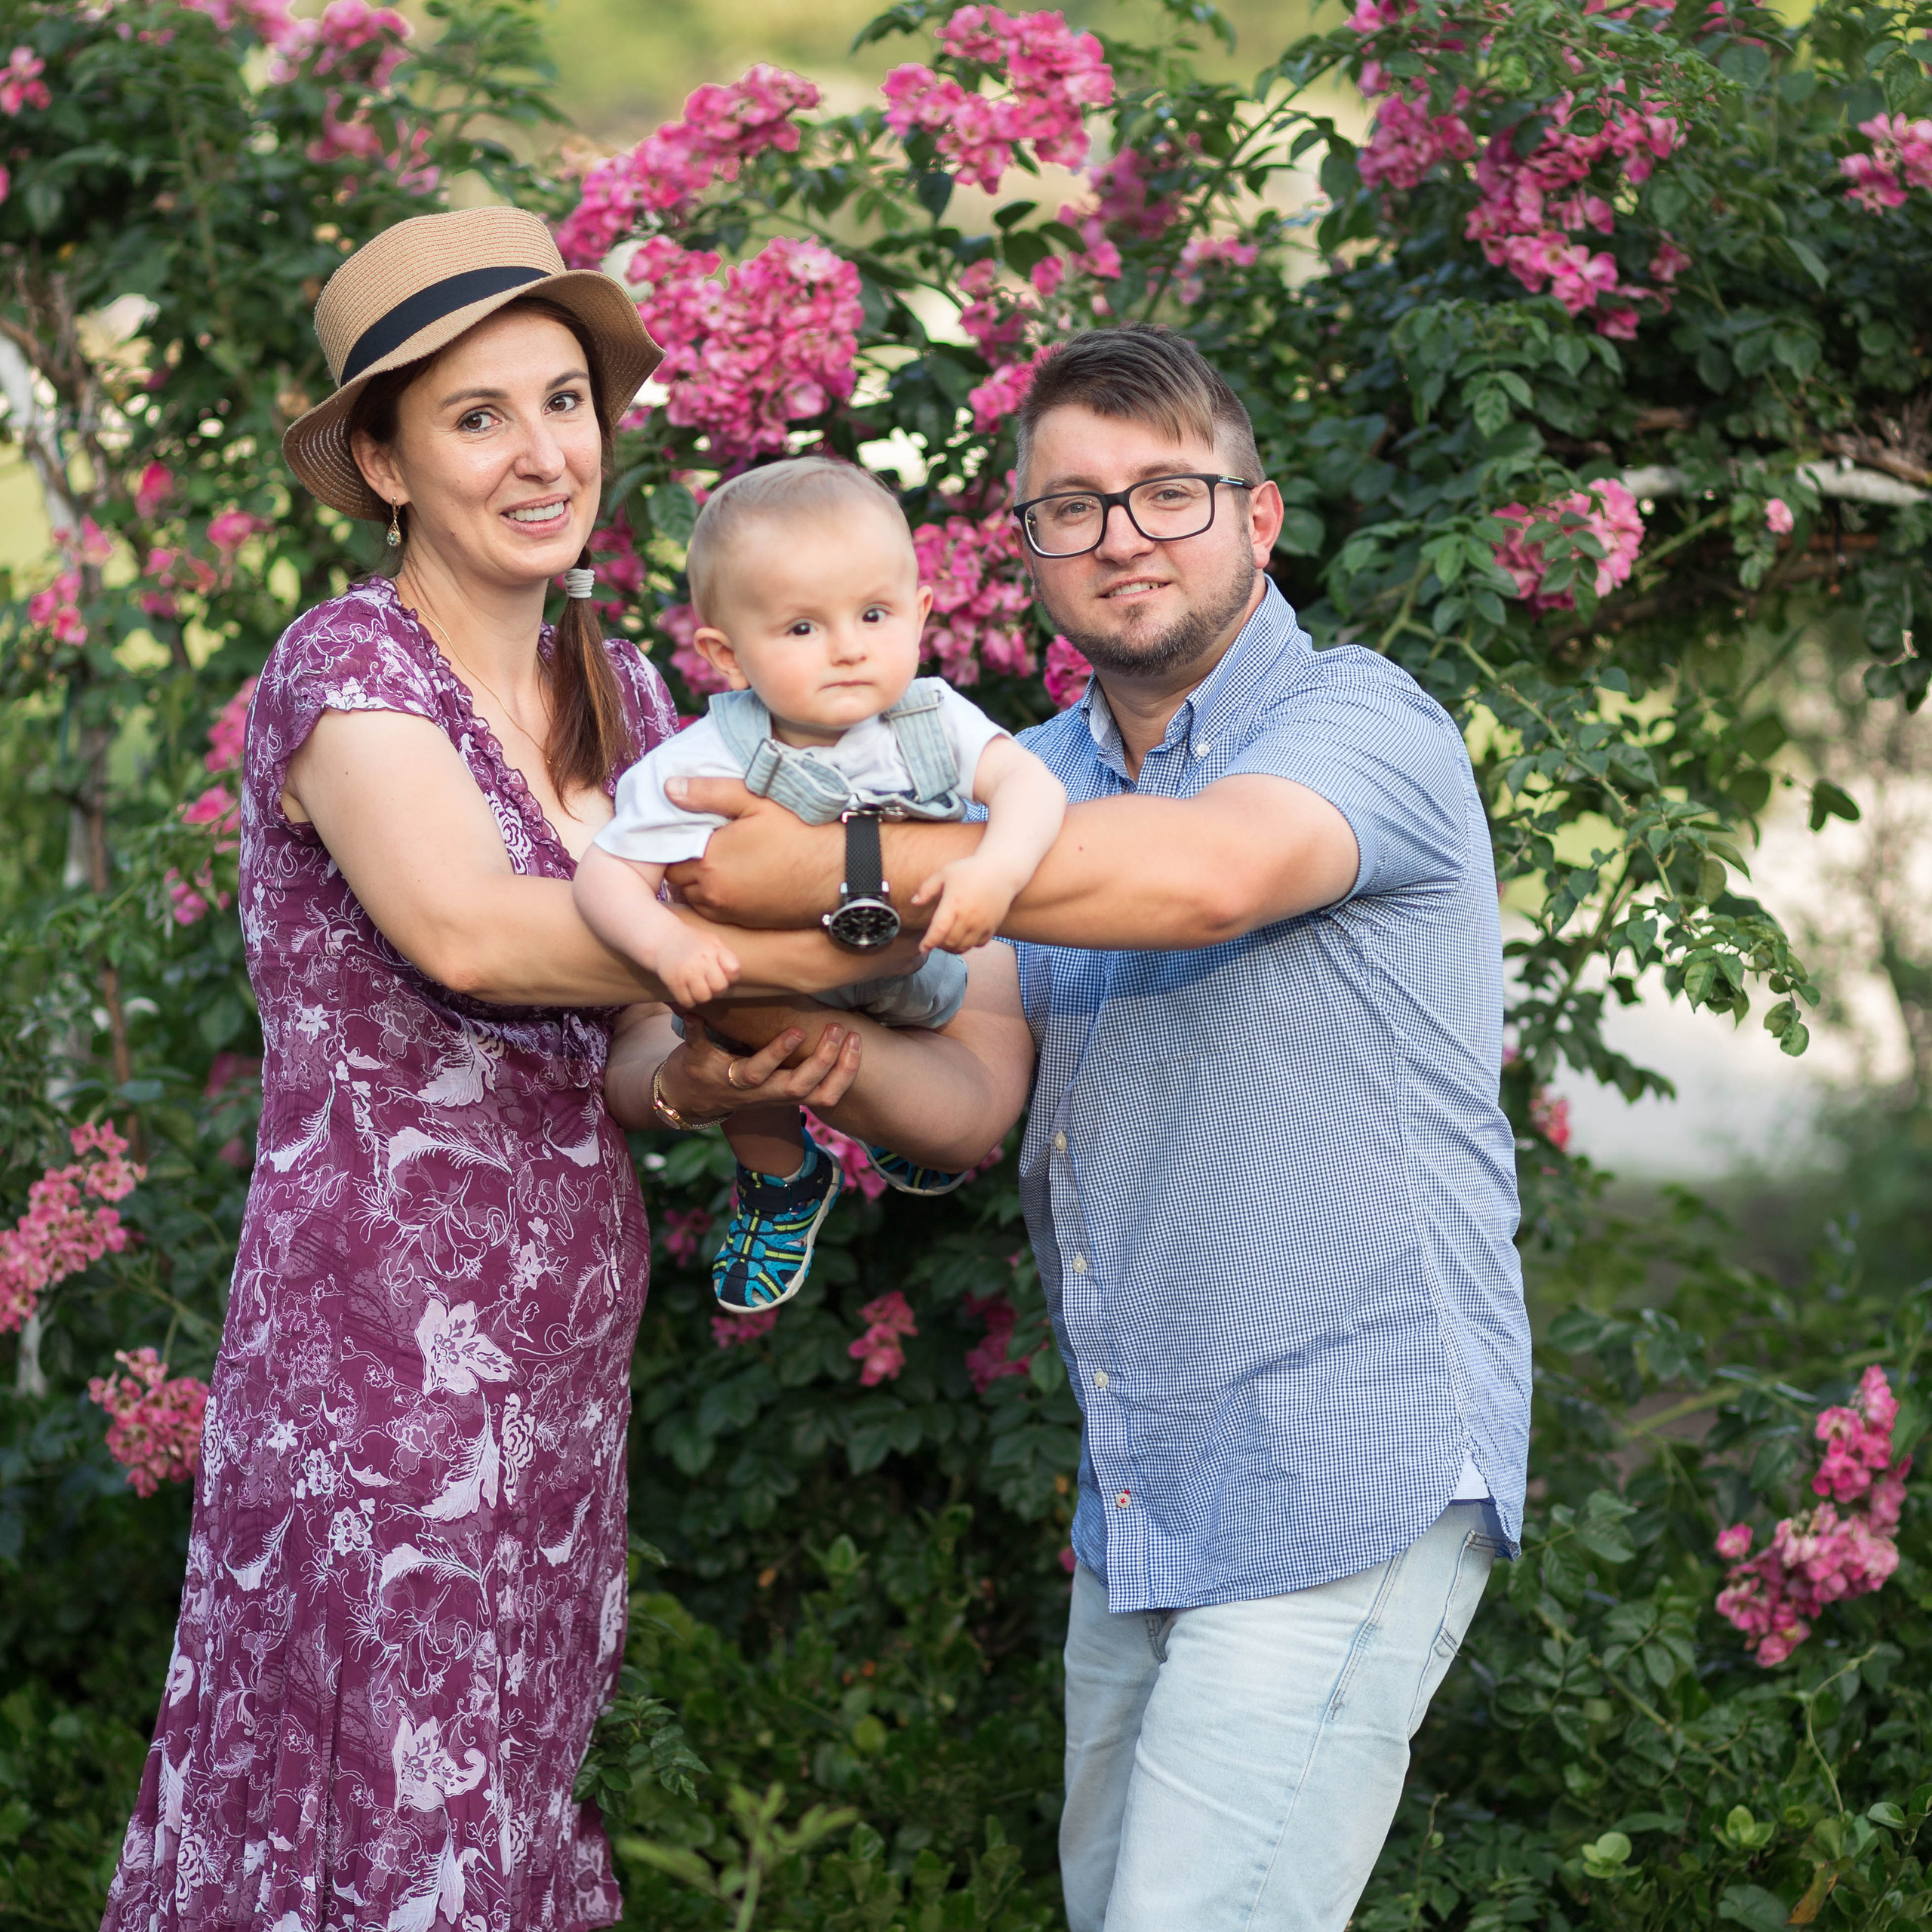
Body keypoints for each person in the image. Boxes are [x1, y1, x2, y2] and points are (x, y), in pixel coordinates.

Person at [99, 206, 925, 1932]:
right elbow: (473, 934)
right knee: (372, 1823)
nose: (544, 453)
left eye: (563, 400)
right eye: (477, 416)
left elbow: (613, 1043)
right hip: (375, 1380)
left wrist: (700, 1082)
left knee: (503, 1803)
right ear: (385, 464)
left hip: (552, 1378)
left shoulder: (619, 689)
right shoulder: (348, 667)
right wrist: (842, 929)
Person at [657, 325, 1534, 1932]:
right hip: (1148, 1485)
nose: (1122, 535)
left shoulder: (1361, 720)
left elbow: (1203, 876)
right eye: (1073, 506)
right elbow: (973, 1098)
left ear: (1258, 518)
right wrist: (815, 1060)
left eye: (1167, 492)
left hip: (1347, 1452)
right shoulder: (1030, 782)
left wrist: (829, 867)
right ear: (1030, 550)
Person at [574, 454, 1066, 1313]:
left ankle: (894, 1130)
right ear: (727, 655)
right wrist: (664, 942)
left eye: (874, 614)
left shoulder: (930, 718)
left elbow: (1032, 786)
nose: (847, 647)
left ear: (920, 614)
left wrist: (997, 867)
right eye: (801, 627)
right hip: (772, 989)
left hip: (916, 975)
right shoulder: (703, 761)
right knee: (725, 1030)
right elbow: (606, 875)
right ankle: (781, 1178)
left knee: (929, 1035)